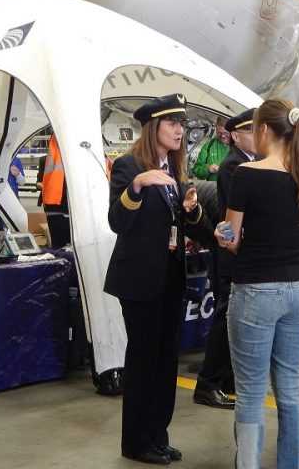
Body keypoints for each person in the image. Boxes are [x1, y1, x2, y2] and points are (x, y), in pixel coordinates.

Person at [104, 94, 209, 466]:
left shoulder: (173, 172)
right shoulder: (129, 167)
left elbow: (181, 226)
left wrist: (191, 210)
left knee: (166, 361)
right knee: (144, 360)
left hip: (170, 279)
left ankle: (157, 436)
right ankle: (136, 441)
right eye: (172, 123)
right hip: (139, 282)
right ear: (154, 128)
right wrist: (136, 187)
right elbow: (117, 222)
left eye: (182, 123)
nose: (180, 130)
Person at [216, 98, 299, 469]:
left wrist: (220, 232)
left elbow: (232, 237)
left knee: (251, 394)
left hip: (257, 290)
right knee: (291, 388)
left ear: (262, 130)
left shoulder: (247, 174)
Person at [193, 108, 255, 410]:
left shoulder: (249, 163)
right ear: (236, 136)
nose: (257, 137)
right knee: (225, 318)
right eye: (251, 132)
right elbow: (235, 212)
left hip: (240, 251)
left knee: (235, 320)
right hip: (231, 252)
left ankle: (229, 378)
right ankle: (208, 382)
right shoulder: (234, 166)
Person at [42, 134, 71, 248]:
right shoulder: (61, 137)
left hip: (54, 200)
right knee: (62, 245)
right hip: (58, 202)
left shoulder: (55, 144)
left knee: (60, 245)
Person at [192, 116, 230, 181]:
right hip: (214, 188)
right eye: (219, 133)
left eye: (225, 133)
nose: (222, 136)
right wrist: (208, 169)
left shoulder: (238, 146)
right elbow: (196, 170)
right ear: (216, 128)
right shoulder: (209, 145)